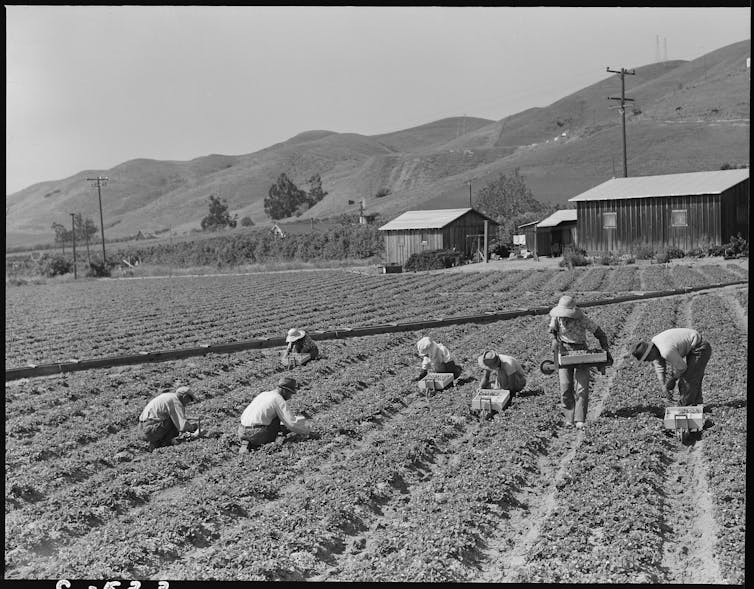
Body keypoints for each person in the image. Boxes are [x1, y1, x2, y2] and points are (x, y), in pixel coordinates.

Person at [548, 295, 612, 429]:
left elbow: (600, 333)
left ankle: (579, 419)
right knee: (565, 387)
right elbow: (552, 330)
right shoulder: (557, 317)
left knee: (581, 388)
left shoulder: (582, 318)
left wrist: (605, 350)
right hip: (564, 351)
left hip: (581, 352)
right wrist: (554, 339)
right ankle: (569, 418)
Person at [631, 328, 712, 406]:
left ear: (650, 352)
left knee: (688, 379)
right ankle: (696, 405)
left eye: (646, 359)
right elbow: (660, 367)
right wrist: (664, 386)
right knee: (692, 378)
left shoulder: (666, 350)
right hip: (693, 345)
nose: (648, 361)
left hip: (700, 347)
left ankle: (685, 407)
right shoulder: (655, 347)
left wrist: (673, 380)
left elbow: (682, 367)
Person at [238, 376, 311, 453]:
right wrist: (306, 431)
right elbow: (291, 424)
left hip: (242, 432)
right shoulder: (278, 399)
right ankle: (269, 443)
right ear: (284, 390)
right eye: (290, 393)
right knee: (278, 421)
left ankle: (248, 443)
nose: (290, 397)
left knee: (271, 418)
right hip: (258, 434)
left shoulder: (263, 394)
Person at [138, 385, 200, 450]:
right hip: (149, 430)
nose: (189, 402)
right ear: (185, 397)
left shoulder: (169, 396)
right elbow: (182, 426)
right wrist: (194, 427)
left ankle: (157, 444)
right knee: (174, 421)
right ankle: (166, 444)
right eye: (190, 399)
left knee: (173, 420)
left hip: (142, 429)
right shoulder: (176, 402)